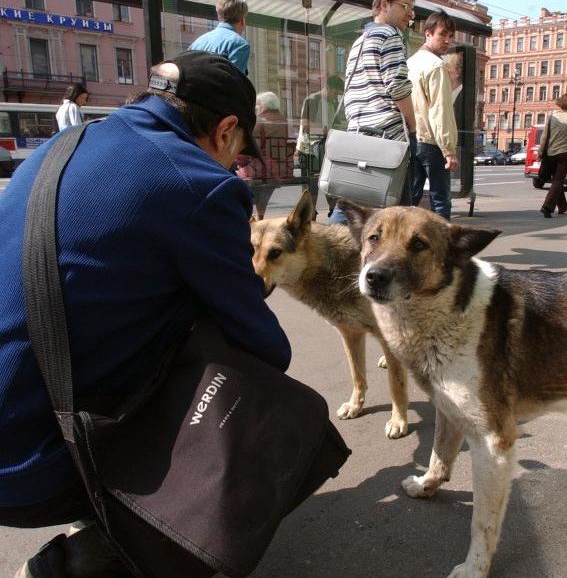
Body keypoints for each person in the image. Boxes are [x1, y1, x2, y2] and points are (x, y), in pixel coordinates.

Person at [0, 50, 290, 577]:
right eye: (240, 150)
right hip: (26, 468)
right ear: (226, 131)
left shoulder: (61, 145)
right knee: (236, 373)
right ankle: (104, 552)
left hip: (14, 424)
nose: (234, 163)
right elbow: (267, 347)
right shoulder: (198, 182)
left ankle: (107, 506)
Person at [328, 0, 417, 224]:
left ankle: (327, 255)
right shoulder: (390, 35)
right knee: (397, 219)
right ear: (384, 5)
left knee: (349, 211)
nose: (411, 14)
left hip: (359, 136)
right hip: (388, 139)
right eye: (405, 6)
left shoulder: (359, 42)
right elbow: (397, 86)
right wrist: (413, 125)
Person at [407, 10, 459, 220]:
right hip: (432, 142)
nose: (447, 41)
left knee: (410, 199)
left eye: (450, 36)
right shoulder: (437, 66)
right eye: (442, 34)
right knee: (440, 201)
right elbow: (440, 110)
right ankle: (444, 250)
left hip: (412, 138)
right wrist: (449, 150)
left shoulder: (410, 63)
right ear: (427, 34)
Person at [295, 75, 345, 217]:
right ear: (328, 88)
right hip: (310, 149)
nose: (336, 96)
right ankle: (310, 214)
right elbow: (305, 125)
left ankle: (332, 212)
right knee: (312, 186)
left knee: (330, 183)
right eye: (335, 92)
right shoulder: (313, 100)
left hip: (326, 148)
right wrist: (325, 130)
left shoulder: (333, 104)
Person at [236, 91, 292, 219]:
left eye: (258, 105)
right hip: (281, 169)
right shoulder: (284, 121)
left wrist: (237, 160)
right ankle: (260, 215)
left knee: (238, 177)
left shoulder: (260, 122)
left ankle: (249, 217)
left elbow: (250, 149)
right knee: (262, 193)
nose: (256, 108)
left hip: (260, 170)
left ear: (263, 106)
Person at [189, 0, 250, 75]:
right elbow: (234, 82)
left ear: (219, 17)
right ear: (242, 20)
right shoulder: (239, 44)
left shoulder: (197, 43)